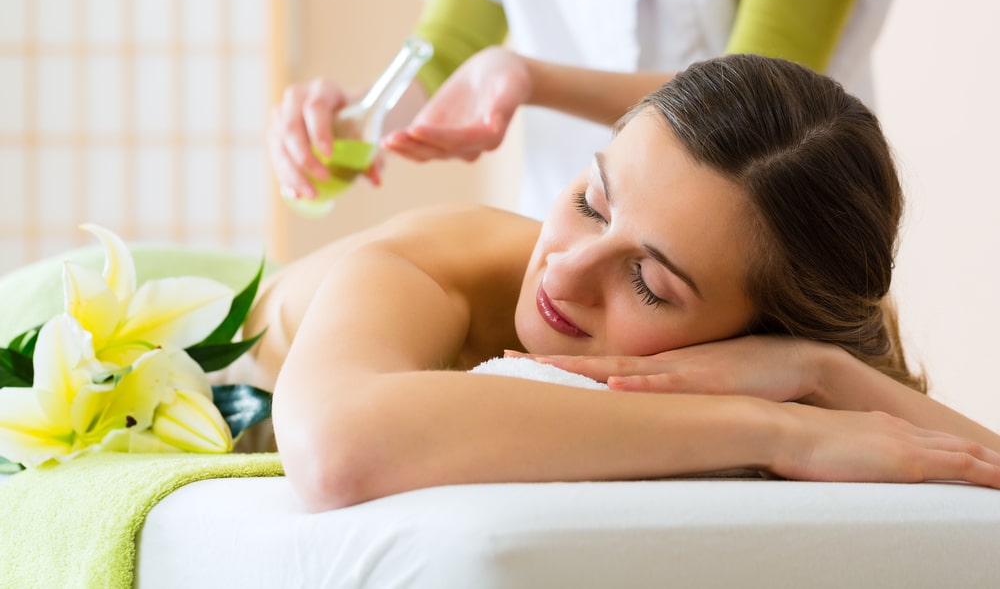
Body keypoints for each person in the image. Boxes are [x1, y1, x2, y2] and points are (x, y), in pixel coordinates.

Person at [243, 53, 1000, 512]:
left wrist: (820, 370)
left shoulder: (784, 353)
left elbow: (973, 459)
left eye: (647, 281)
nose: (564, 270)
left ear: (755, 333)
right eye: (590, 202)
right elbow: (335, 447)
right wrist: (782, 427)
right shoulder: (438, 265)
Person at [270, 0, 905, 219]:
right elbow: (449, 46)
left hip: (765, 255)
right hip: (568, 258)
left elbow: (759, 101)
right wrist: (358, 115)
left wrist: (532, 79)